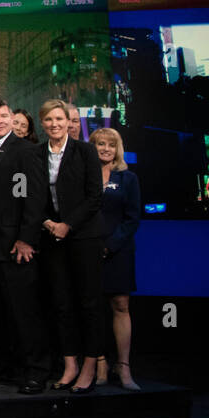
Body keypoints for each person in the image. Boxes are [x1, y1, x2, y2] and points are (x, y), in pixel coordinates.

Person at [0, 97, 48, 394]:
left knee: (24, 312)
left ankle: (35, 371)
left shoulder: (27, 151)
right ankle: (0, 367)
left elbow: (36, 198)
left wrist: (27, 238)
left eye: (4, 116)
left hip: (15, 246)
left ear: (11, 118)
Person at [36, 99, 105, 394]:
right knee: (61, 304)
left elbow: (94, 196)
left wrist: (68, 225)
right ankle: (70, 365)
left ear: (69, 121)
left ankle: (90, 365)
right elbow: (28, 194)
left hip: (84, 237)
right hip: (51, 238)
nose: (55, 124)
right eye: (49, 120)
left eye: (59, 119)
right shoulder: (35, 153)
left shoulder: (86, 150)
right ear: (43, 123)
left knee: (88, 303)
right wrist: (46, 222)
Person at [91, 127, 140, 390]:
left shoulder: (128, 178)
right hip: (88, 249)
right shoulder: (83, 176)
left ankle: (123, 366)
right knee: (94, 307)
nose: (105, 149)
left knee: (120, 305)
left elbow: (133, 218)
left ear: (117, 149)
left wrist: (110, 246)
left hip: (118, 249)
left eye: (111, 145)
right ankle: (99, 362)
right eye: (100, 144)